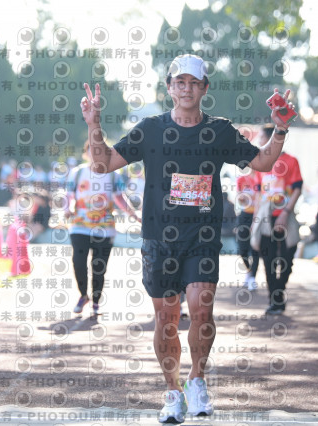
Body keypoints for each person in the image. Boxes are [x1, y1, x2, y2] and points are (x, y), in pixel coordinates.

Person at [80, 54, 294, 423]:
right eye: (180, 82)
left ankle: (197, 379)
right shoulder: (151, 129)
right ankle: (172, 391)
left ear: (204, 88)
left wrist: (280, 129)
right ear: (169, 87)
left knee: (201, 309)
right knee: (166, 321)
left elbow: (262, 163)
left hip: (202, 238)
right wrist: (94, 123)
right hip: (159, 240)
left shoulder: (220, 130)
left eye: (194, 82)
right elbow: (102, 163)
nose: (186, 89)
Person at [66, 141, 138, 318]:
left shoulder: (113, 175)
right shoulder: (77, 173)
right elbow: (69, 196)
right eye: (92, 150)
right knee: (78, 261)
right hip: (80, 226)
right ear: (85, 153)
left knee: (99, 266)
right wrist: (67, 208)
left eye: (100, 151)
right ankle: (83, 295)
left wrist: (133, 214)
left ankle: (96, 301)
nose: (95, 154)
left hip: (105, 228)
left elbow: (119, 198)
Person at [255, 124, 302, 315]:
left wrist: (285, 212)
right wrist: (255, 221)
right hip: (266, 219)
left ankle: (279, 290)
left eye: (261, 137)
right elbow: (259, 194)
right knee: (268, 259)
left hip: (286, 217)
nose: (258, 141)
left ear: (270, 139)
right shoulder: (259, 162)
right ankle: (275, 301)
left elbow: (297, 188)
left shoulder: (291, 161)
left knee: (288, 256)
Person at [235, 134, 263, 291]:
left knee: (255, 247)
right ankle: (249, 271)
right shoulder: (241, 179)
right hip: (244, 215)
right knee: (242, 248)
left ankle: (252, 276)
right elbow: (239, 197)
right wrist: (242, 199)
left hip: (257, 216)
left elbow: (260, 198)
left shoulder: (260, 177)